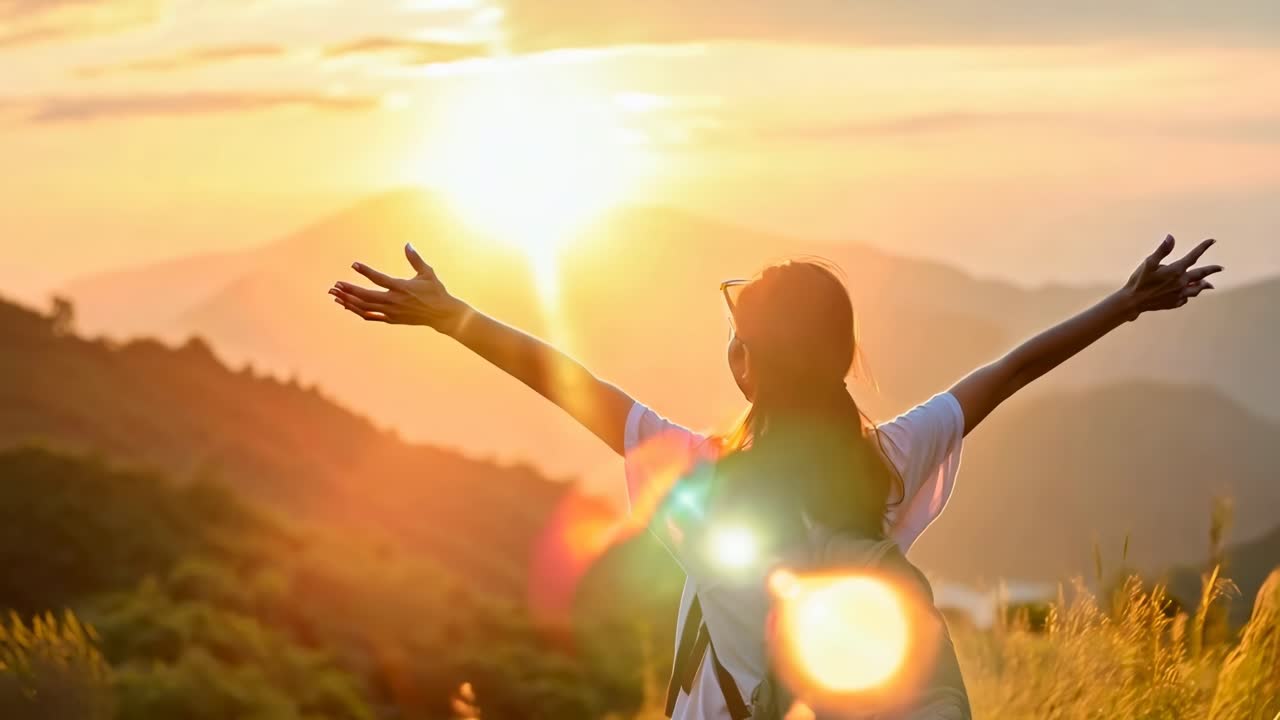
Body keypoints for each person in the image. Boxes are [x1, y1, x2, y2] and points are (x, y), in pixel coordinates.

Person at [328, 234, 1221, 719]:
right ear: (841, 357)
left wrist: (453, 318)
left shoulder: (701, 479)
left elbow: (570, 384)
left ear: (746, 366)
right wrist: (1125, 301)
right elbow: (1009, 371)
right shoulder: (887, 462)